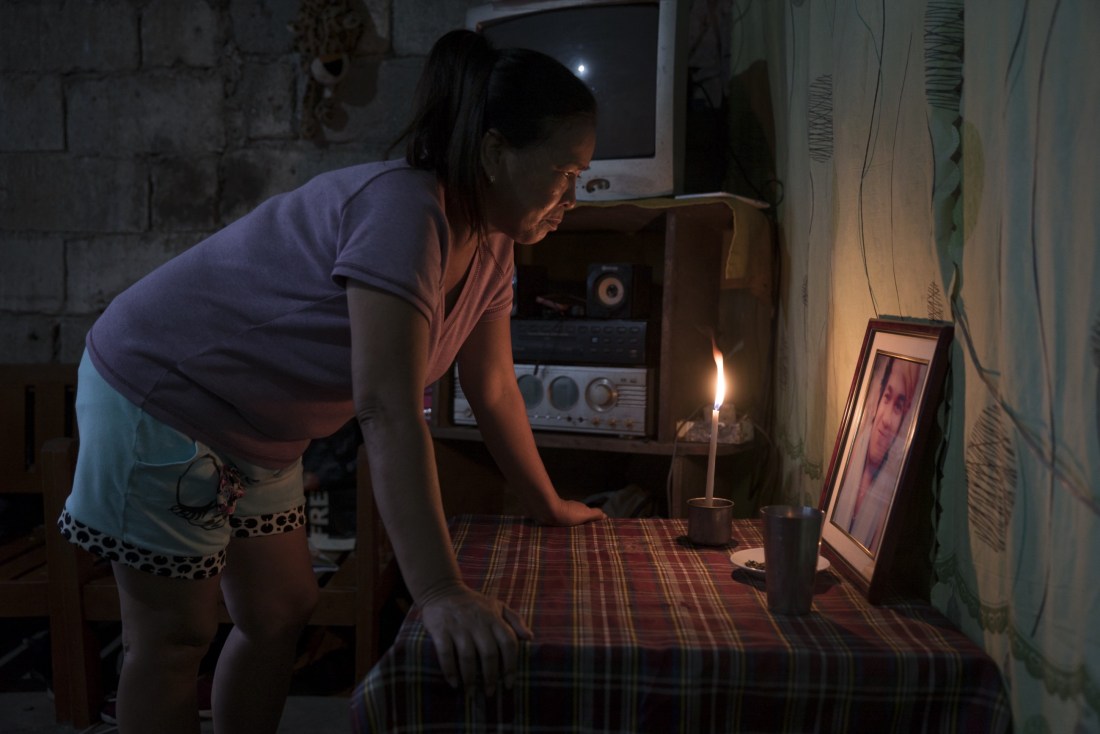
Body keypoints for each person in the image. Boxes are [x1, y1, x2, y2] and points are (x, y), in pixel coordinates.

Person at [57, 29, 606, 734]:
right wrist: (438, 591)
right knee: (174, 638)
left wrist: (546, 503)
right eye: (565, 174)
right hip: (162, 395)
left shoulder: (495, 246)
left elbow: (492, 387)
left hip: (254, 428)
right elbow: (387, 407)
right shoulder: (407, 212)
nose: (573, 197)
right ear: (497, 153)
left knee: (281, 609)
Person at [830, 355, 924, 555]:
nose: (887, 420)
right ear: (879, 397)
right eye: (887, 398)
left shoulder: (889, 491)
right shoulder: (848, 459)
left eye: (898, 407)